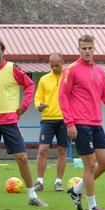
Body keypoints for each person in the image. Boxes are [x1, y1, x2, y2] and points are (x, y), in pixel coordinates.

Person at [59, 34, 105, 210]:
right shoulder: (71, 70)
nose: (87, 51)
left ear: (94, 49)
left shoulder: (99, 72)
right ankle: (92, 208)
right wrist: (70, 123)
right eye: (84, 48)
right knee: (90, 166)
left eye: (90, 48)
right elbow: (63, 96)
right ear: (78, 49)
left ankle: (76, 190)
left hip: (96, 124)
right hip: (80, 125)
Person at [0, 39, 47, 208]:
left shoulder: (13, 68)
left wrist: (23, 106)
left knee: (21, 157)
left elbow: (29, 85)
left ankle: (32, 196)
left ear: (3, 51)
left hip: (9, 121)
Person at [34, 53, 68, 192]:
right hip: (47, 119)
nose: (54, 68)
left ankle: (58, 182)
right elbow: (37, 99)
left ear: (62, 63)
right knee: (42, 150)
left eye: (57, 65)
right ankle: (39, 181)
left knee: (62, 151)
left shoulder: (69, 78)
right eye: (51, 65)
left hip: (64, 119)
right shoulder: (44, 79)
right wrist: (39, 106)